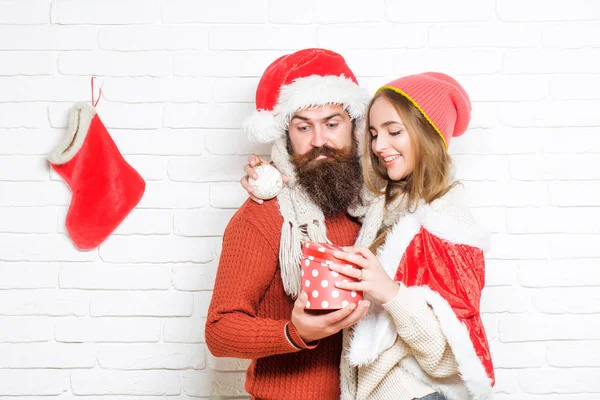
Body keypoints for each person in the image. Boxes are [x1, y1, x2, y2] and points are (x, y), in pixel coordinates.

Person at [243, 72, 496, 399]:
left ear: (428, 135)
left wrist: (390, 292)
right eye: (374, 134)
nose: (378, 146)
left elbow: (450, 357)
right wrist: (271, 175)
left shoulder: (447, 222)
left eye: (394, 132)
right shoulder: (385, 205)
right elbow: (330, 176)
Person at [205, 48, 373, 400]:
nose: (319, 141)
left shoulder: (371, 210)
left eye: (332, 123)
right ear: (285, 133)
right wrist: (294, 331)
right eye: (303, 127)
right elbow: (219, 332)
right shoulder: (263, 216)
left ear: (354, 127)